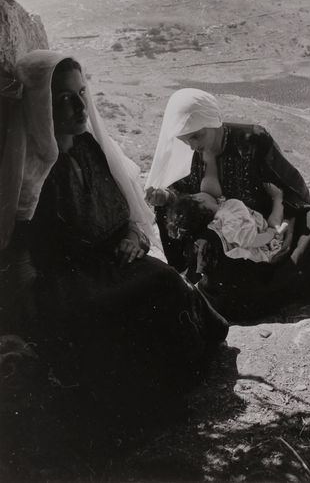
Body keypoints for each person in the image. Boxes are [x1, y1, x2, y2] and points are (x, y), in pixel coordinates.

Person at [0, 53, 228, 417]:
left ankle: (179, 373)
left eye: (82, 93)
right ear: (41, 105)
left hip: (108, 260)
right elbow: (21, 253)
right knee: (113, 313)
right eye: (64, 99)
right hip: (64, 281)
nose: (79, 107)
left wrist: (133, 238)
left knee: (164, 280)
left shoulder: (91, 149)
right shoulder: (30, 172)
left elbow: (121, 212)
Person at [146, 88, 310, 321]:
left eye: (197, 136)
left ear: (212, 121)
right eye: (185, 139)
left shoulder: (251, 140)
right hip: (225, 241)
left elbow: (289, 186)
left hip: (267, 223)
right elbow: (183, 200)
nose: (192, 145)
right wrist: (165, 197)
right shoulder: (189, 153)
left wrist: (277, 222)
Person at [165, 188, 288, 265]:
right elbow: (250, 240)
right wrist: (270, 234)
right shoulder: (228, 219)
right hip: (264, 243)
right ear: (199, 200)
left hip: (257, 228)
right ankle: (278, 197)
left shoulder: (220, 214)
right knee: (279, 224)